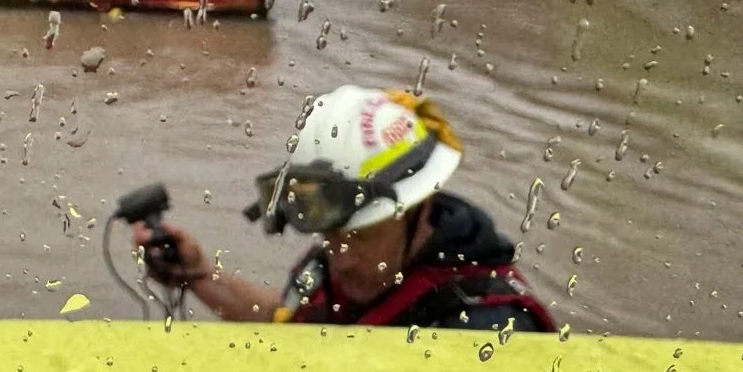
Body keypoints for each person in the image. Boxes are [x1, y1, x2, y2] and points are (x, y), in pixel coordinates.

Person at [131, 85, 556, 331]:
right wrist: (202, 276)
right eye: (332, 237)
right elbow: (292, 325)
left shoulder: (489, 329)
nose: (342, 258)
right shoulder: (349, 266)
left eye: (363, 236)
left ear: (419, 209)